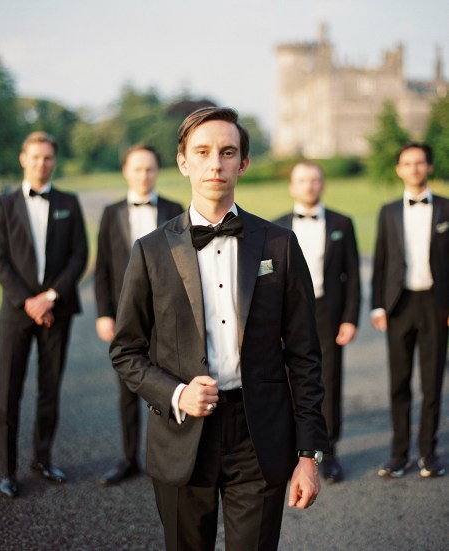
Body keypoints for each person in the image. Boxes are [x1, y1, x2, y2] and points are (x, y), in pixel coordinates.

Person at [110, 107, 329, 551]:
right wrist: (177, 393)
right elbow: (126, 351)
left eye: (228, 152)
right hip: (182, 436)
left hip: (260, 435)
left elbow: (304, 354)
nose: (216, 164)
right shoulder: (150, 251)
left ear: (243, 163)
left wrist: (309, 455)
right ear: (183, 162)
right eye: (203, 152)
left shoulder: (279, 244)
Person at [0, 131, 88, 498]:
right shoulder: (3, 204)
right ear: (23, 159)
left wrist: (49, 297)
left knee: (49, 390)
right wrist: (29, 302)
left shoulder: (69, 201)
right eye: (35, 157)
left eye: (48, 158)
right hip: (17, 312)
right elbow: (1, 261)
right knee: (7, 392)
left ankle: (43, 459)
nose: (41, 164)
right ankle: (6, 471)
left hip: (57, 310)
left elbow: (79, 256)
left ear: (54, 161)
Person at [95, 144, 183, 486]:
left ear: (157, 171)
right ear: (125, 172)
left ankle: (173, 458)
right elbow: (101, 268)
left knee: (169, 384)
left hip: (166, 315)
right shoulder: (110, 212)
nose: (143, 175)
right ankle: (129, 457)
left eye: (149, 169)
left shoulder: (176, 209)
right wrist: (105, 314)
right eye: (137, 169)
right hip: (125, 315)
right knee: (127, 389)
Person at [275, 162, 360, 484]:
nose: (309, 186)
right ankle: (292, 451)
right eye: (302, 181)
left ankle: (329, 451)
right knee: (286, 383)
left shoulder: (342, 223)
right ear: (292, 187)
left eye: (314, 180)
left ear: (322, 185)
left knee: (328, 383)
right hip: (289, 314)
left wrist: (349, 319)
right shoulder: (277, 226)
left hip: (328, 313)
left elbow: (351, 277)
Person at [371, 142, 449, 479]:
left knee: (432, 383)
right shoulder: (388, 211)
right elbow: (381, 261)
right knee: (398, 383)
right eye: (407, 163)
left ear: (429, 168)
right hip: (399, 304)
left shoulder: (447, 208)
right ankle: (398, 453)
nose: (414, 168)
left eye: (420, 163)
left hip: (436, 303)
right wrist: (377, 305)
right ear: (399, 169)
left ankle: (428, 453)